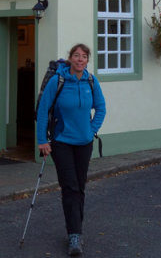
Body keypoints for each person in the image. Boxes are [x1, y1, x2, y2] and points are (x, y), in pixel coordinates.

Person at [37, 43, 106, 256]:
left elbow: (101, 108)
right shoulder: (59, 81)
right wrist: (42, 140)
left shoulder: (91, 81)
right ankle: (74, 234)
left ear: (87, 60)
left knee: (80, 187)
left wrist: (90, 130)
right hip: (62, 143)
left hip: (84, 144)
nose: (80, 59)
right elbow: (42, 110)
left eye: (84, 56)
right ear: (70, 59)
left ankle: (76, 230)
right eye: (76, 56)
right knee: (70, 187)